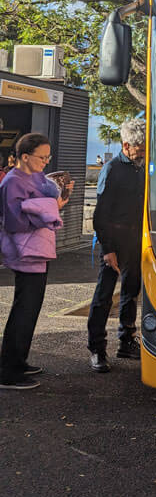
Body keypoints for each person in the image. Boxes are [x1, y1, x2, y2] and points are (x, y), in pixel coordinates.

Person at [0, 133, 74, 390]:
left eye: (48, 157)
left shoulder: (33, 177)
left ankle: (18, 362)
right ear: (24, 156)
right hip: (26, 253)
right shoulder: (12, 182)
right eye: (42, 157)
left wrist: (57, 202)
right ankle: (8, 371)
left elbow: (48, 206)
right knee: (24, 309)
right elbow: (14, 222)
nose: (46, 162)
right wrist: (48, 208)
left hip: (38, 250)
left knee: (30, 308)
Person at [86, 119, 146, 373]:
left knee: (130, 292)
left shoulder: (141, 167)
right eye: (139, 148)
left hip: (135, 240)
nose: (143, 153)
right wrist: (108, 248)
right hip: (115, 240)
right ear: (126, 145)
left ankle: (126, 340)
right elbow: (100, 215)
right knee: (104, 295)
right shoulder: (112, 169)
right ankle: (97, 348)